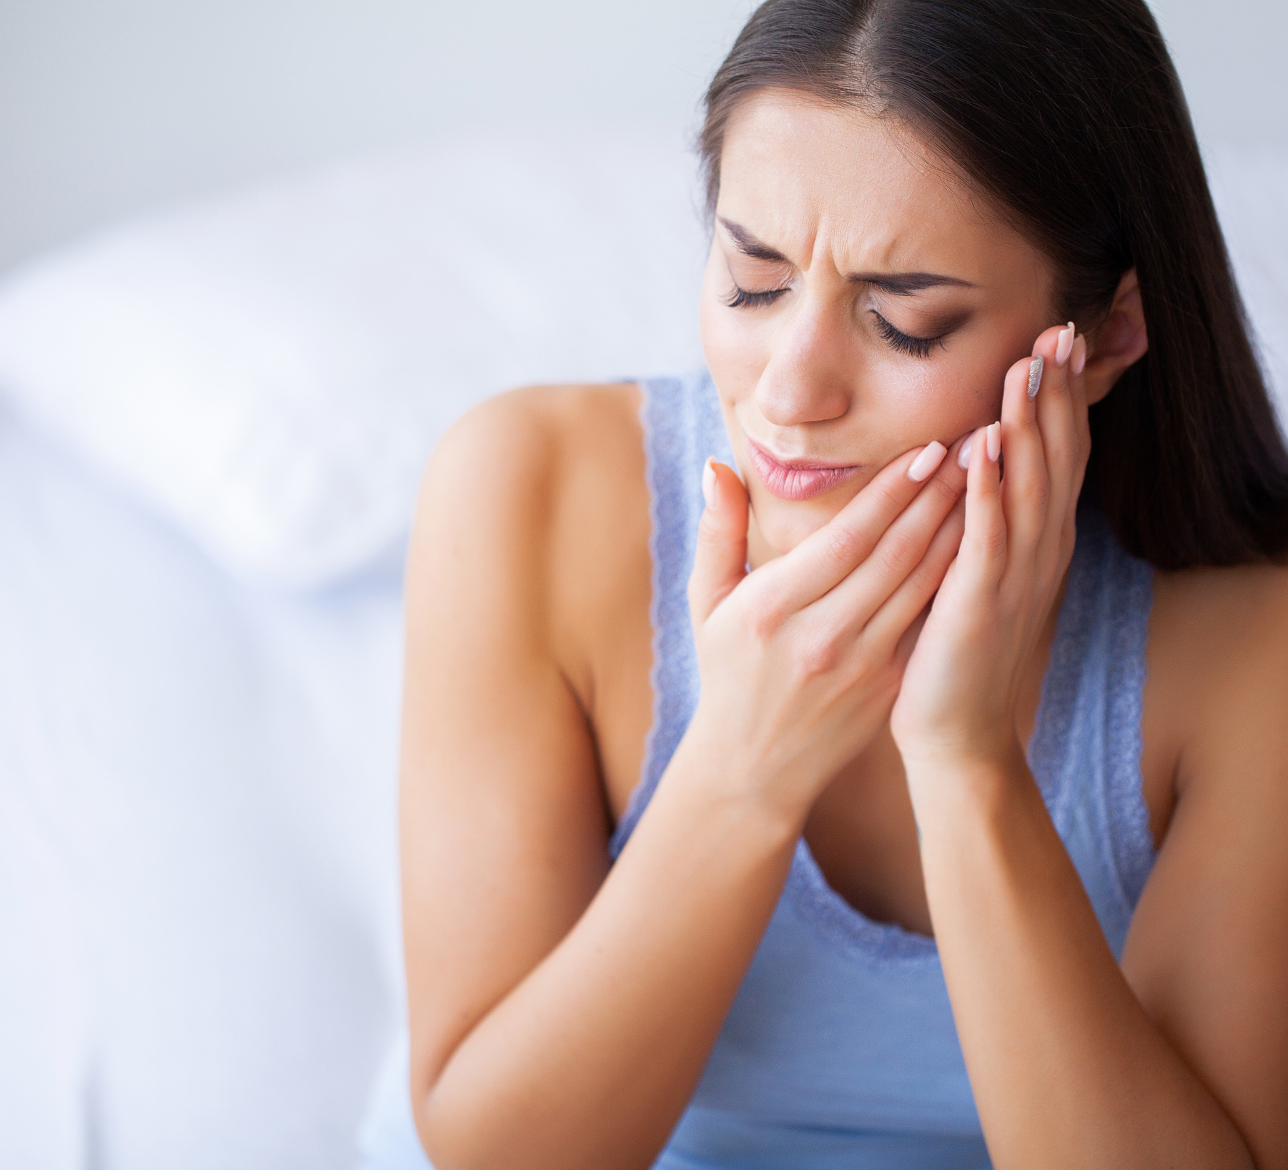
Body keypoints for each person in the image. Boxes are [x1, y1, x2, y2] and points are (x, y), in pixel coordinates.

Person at [385, 1, 1288, 1167]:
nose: (791, 390)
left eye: (904, 321)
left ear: (1105, 336)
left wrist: (967, 763)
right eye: (753, 283)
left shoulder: (1249, 638)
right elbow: (497, 1154)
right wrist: (744, 771)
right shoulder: (526, 490)